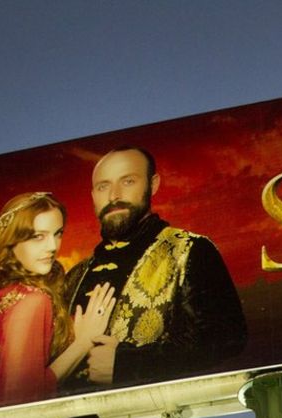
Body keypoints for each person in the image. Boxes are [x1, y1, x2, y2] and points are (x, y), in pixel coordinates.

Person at [62, 146, 247, 392]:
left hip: (161, 409)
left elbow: (226, 338)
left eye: (128, 181)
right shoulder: (75, 276)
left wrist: (127, 364)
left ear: (153, 184)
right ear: (93, 195)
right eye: (103, 186)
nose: (114, 196)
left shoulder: (190, 250)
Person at [0, 192, 116, 409]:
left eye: (58, 234)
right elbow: (23, 398)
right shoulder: (34, 300)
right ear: (10, 241)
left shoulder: (0, 291)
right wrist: (82, 343)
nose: (53, 246)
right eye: (38, 236)